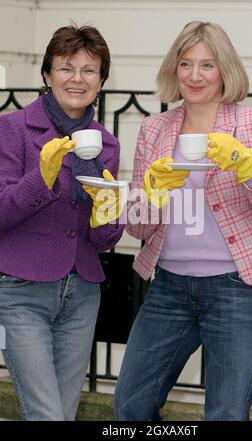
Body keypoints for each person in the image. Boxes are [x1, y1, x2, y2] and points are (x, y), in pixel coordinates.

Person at [114, 21, 252, 421]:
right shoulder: (154, 128)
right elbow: (140, 228)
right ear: (173, 69)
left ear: (225, 71)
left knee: (226, 413)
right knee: (130, 404)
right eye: (185, 64)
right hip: (168, 286)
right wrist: (150, 194)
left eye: (207, 65)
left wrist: (249, 168)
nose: (194, 75)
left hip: (237, 287)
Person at [0, 24, 124, 420]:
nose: (77, 79)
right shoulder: (12, 129)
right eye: (66, 67)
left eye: (89, 70)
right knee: (47, 414)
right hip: (21, 291)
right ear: (47, 75)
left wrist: (107, 211)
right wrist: (44, 175)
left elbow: (102, 239)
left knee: (64, 414)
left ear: (101, 81)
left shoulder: (105, 144)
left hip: (82, 294)